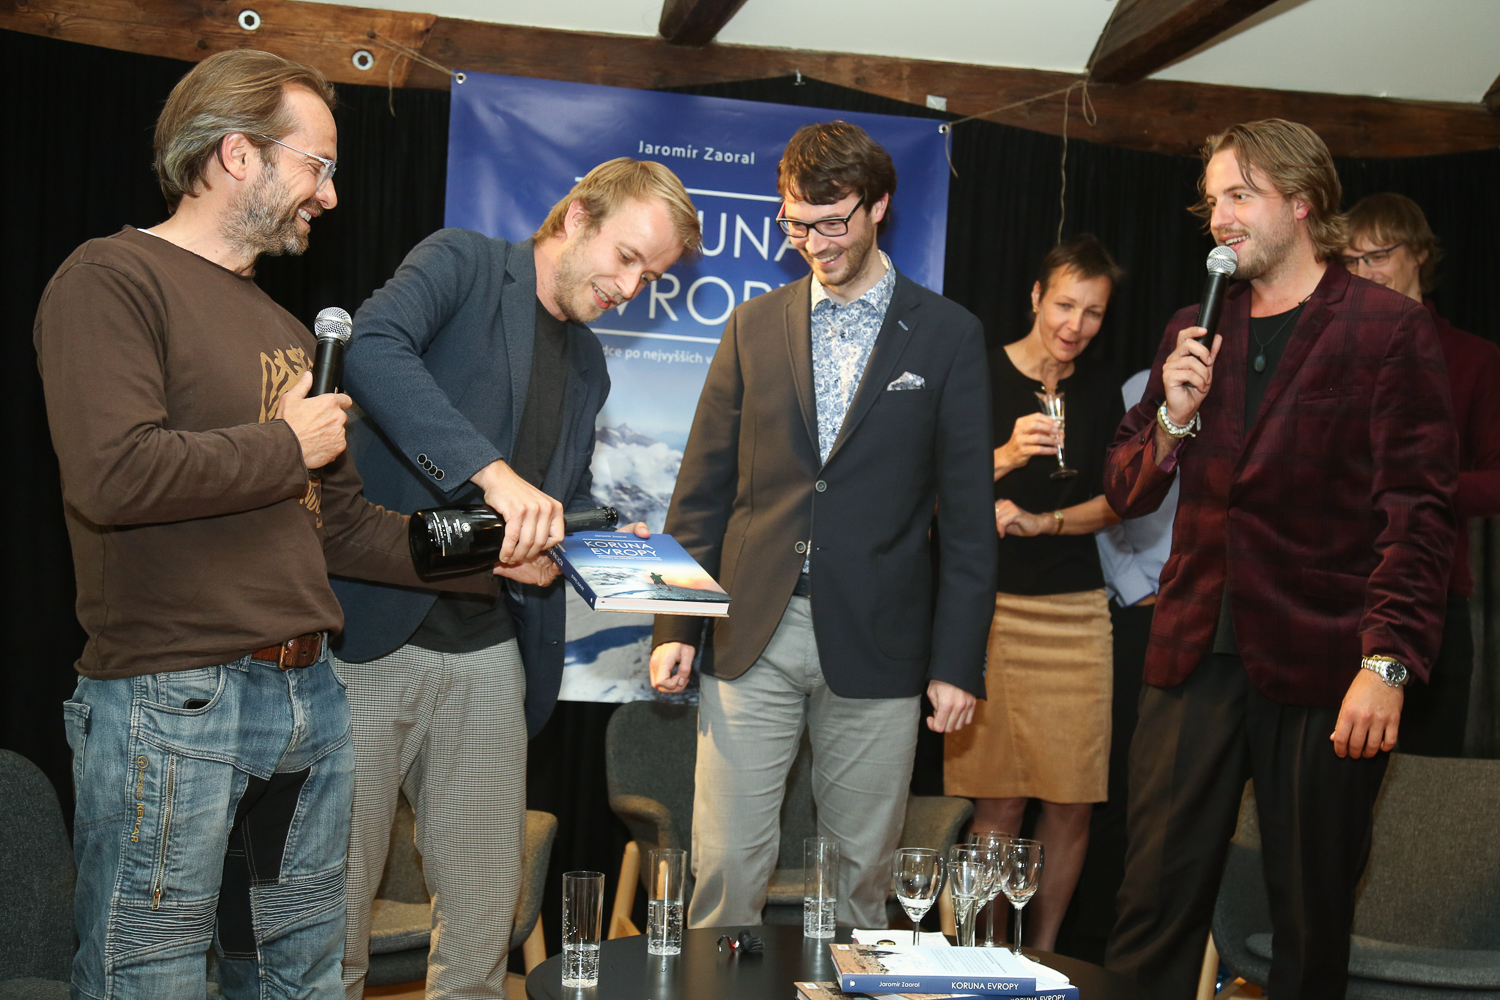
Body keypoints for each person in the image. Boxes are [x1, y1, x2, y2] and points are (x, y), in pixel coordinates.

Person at [35, 50, 495, 999]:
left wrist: (496, 551)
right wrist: (284, 441)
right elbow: (114, 475)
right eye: (316, 165)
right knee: (148, 977)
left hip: (307, 702)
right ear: (239, 153)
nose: (328, 195)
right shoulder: (112, 279)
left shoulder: (290, 331)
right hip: (173, 699)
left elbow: (341, 531)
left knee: (299, 977)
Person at [1103, 120, 1456, 1000]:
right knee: (1152, 900)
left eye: (1239, 196)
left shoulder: (1387, 328)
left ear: (1302, 204)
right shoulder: (1194, 326)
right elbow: (1124, 489)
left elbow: (1415, 516)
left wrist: (1387, 664)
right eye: (1212, 199)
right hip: (1192, 656)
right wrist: (1174, 416)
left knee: (1308, 913)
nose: (1218, 218)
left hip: (1325, 660)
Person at [330, 159, 700, 999]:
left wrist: (593, 542)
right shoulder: (462, 262)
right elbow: (371, 350)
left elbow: (551, 506)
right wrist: (489, 474)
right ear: (575, 217)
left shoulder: (590, 366)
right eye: (629, 258)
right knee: (333, 909)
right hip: (374, 630)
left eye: (655, 276)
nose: (634, 287)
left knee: (486, 913)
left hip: (491, 645)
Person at [649, 121, 996, 929]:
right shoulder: (752, 326)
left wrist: (958, 663)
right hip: (750, 630)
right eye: (795, 223)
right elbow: (700, 491)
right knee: (727, 866)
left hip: (880, 640)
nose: (812, 242)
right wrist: (675, 624)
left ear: (879, 206)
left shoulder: (947, 336)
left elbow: (971, 525)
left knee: (858, 881)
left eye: (832, 221)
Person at [943, 235, 1124, 951]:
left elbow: (1118, 503)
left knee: (1074, 801)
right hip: (987, 611)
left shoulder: (1103, 391)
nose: (1075, 325)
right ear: (1035, 297)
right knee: (1000, 801)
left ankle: (1043, 958)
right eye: (1065, 305)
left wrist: (1041, 520)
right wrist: (1008, 456)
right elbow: (930, 499)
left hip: (1078, 612)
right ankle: (982, 960)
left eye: (1094, 313)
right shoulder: (978, 376)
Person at [1341, 192, 1500, 758]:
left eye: (1378, 253)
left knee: (1424, 795)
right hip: (1335, 598)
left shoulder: (1474, 358)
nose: (1365, 271)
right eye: (1352, 260)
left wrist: (1416, 488)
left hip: (1429, 599)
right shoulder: (1332, 351)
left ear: (1421, 256)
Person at [1066, 367, 1180, 959]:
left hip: (1218, 613)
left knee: (1181, 790)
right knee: (1120, 781)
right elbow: (1108, 493)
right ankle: (1097, 945)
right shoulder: (1141, 387)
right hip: (1141, 608)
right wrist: (1138, 590)